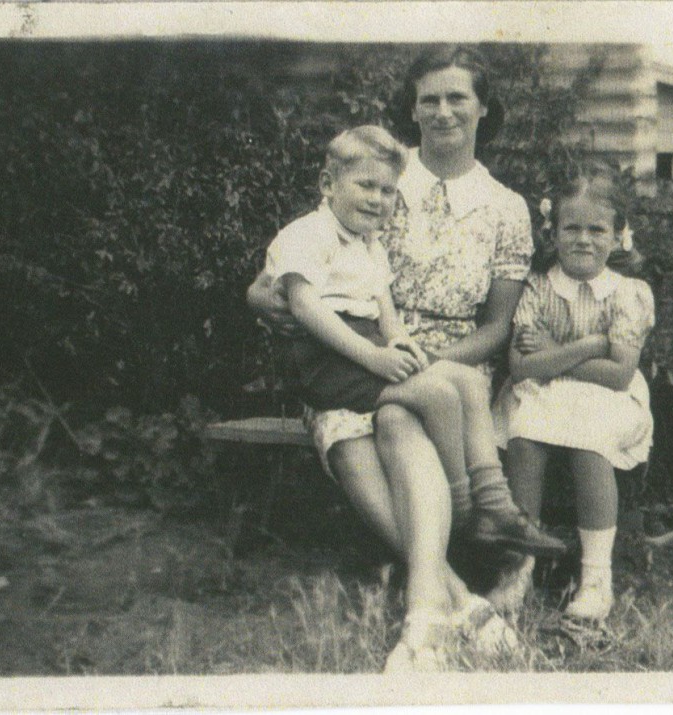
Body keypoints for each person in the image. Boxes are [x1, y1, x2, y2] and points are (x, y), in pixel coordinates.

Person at [248, 47, 561, 671]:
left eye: (458, 97)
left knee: (403, 414)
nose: (443, 111)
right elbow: (278, 278)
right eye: (430, 98)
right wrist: (261, 297)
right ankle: (460, 602)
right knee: (386, 418)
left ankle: (432, 598)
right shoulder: (376, 173)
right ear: (412, 108)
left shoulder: (506, 208)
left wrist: (421, 359)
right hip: (355, 357)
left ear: (483, 107)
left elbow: (498, 326)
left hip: (444, 365)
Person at [262, 125, 564, 556]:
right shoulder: (308, 234)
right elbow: (306, 307)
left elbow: (385, 310)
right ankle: (462, 518)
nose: (377, 199)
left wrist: (401, 344)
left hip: (365, 348)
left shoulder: (369, 242)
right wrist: (375, 357)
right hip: (326, 358)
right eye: (366, 186)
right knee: (437, 395)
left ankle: (495, 505)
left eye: (386, 191)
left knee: (466, 381)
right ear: (327, 185)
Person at [496, 161, 655, 622]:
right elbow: (521, 366)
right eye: (572, 228)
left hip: (609, 400)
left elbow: (620, 374)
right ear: (554, 232)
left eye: (597, 229)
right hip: (541, 391)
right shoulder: (538, 289)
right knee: (523, 437)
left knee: (590, 443)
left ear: (618, 235)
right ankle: (519, 568)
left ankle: (595, 578)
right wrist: (589, 345)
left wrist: (557, 352)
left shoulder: (628, 293)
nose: (583, 239)